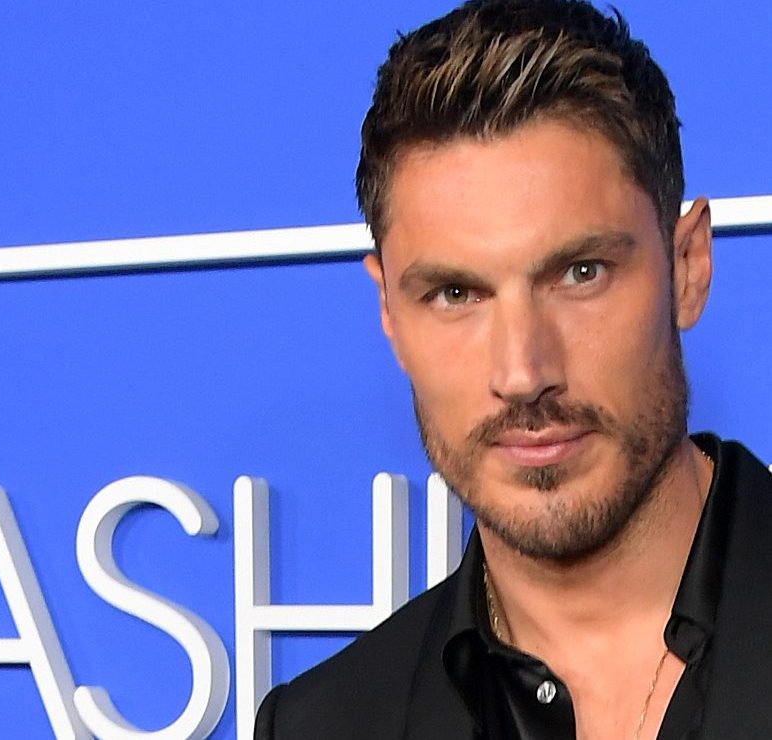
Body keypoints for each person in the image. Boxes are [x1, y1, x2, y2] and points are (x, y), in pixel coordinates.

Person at [255, 1, 772, 738]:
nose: (524, 372)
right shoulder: (323, 724)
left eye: (581, 273)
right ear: (389, 312)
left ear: (687, 267)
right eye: (455, 294)